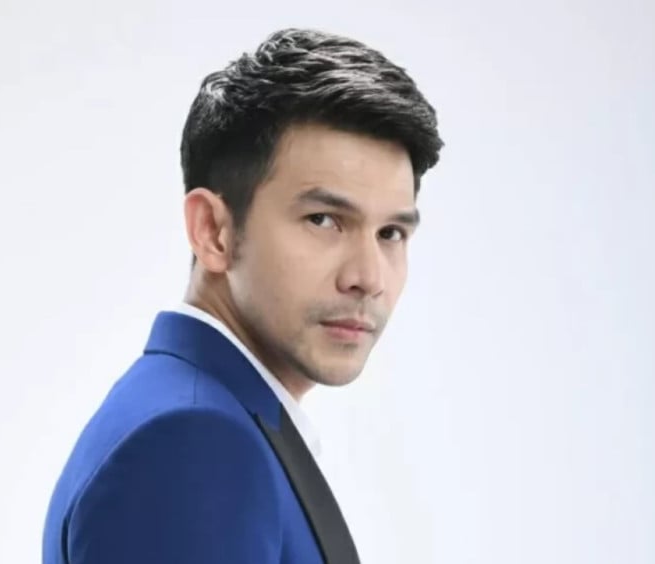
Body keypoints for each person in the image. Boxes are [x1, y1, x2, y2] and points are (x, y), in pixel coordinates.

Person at [42, 27, 443, 564]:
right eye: (324, 220)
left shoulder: (208, 417)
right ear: (212, 231)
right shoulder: (191, 445)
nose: (368, 277)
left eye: (391, 233)